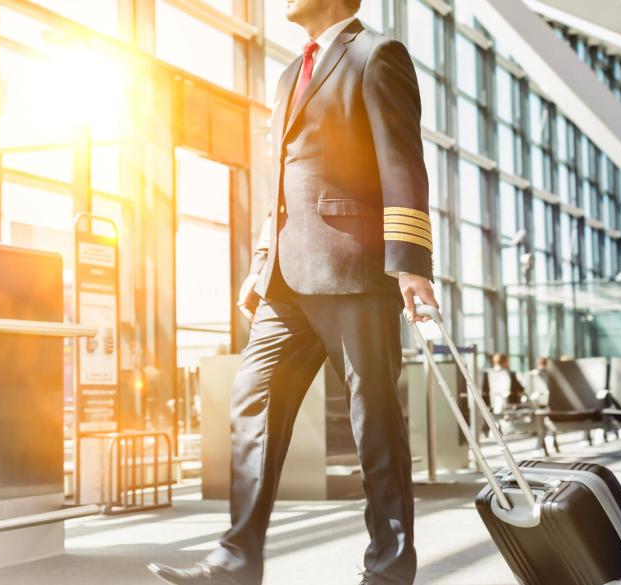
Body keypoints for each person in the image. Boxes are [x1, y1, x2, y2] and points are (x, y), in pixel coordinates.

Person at [147, 1, 435, 584]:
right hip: (287, 281)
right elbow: (280, 181)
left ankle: (388, 570)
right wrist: (260, 262)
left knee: (372, 422)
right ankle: (235, 561)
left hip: (355, 271)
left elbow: (403, 162)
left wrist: (411, 267)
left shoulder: (377, 55)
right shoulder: (287, 74)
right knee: (250, 403)